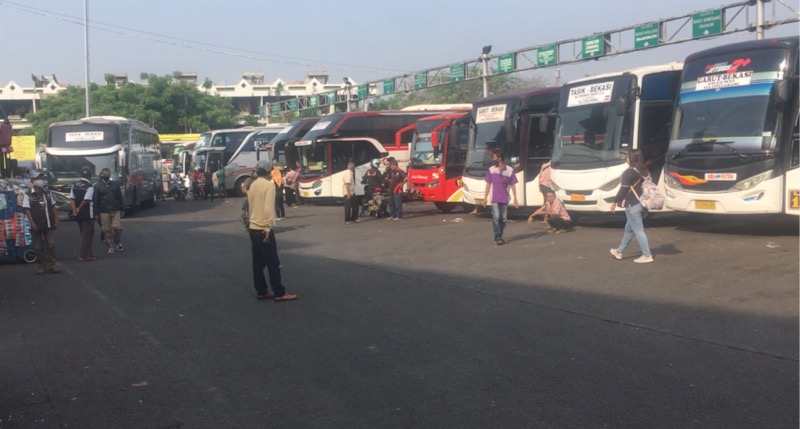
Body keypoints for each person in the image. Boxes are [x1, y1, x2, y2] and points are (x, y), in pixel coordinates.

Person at [247, 160, 297, 302]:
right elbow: (269, 208)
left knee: (257, 263)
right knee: (273, 262)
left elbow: (250, 208)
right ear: (269, 171)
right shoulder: (269, 185)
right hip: (263, 228)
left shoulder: (253, 185)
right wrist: (268, 227)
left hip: (253, 227)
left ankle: (262, 291)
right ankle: (279, 292)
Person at [609, 149, 653, 264]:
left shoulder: (629, 173)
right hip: (643, 204)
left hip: (632, 205)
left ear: (632, 159)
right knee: (629, 229)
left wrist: (614, 202)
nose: (626, 159)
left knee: (638, 230)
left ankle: (647, 254)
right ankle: (619, 251)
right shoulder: (644, 171)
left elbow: (623, 189)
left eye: (627, 157)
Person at [23, 172, 61, 274]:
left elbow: (53, 206)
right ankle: (41, 266)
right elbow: (27, 210)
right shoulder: (28, 194)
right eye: (38, 178)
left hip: (48, 223)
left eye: (41, 178)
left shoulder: (47, 192)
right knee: (38, 247)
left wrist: (57, 218)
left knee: (51, 244)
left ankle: (53, 265)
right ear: (32, 181)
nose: (40, 180)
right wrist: (32, 223)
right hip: (36, 224)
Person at [483, 148, 518, 245]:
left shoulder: (510, 170)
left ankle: (498, 235)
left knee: (503, 219)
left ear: (500, 158)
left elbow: (513, 185)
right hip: (494, 198)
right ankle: (498, 236)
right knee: (496, 217)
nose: (492, 159)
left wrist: (515, 199)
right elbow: (488, 184)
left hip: (505, 198)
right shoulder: (491, 170)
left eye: (494, 157)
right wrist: (485, 198)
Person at [94, 168, 125, 255]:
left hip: (115, 210)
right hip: (104, 211)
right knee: (106, 229)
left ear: (110, 175)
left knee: (118, 227)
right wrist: (96, 213)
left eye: (108, 175)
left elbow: (120, 198)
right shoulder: (98, 186)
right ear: (102, 175)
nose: (106, 176)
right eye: (105, 175)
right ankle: (110, 246)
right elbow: (95, 200)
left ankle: (117, 242)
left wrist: (122, 209)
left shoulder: (115, 185)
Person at [69, 167, 97, 261]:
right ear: (90, 176)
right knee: (87, 234)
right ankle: (83, 255)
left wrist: (74, 210)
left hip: (78, 214)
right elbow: (86, 200)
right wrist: (79, 209)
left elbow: (71, 198)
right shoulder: (89, 186)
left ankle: (89, 253)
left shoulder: (75, 185)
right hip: (88, 213)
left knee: (83, 233)